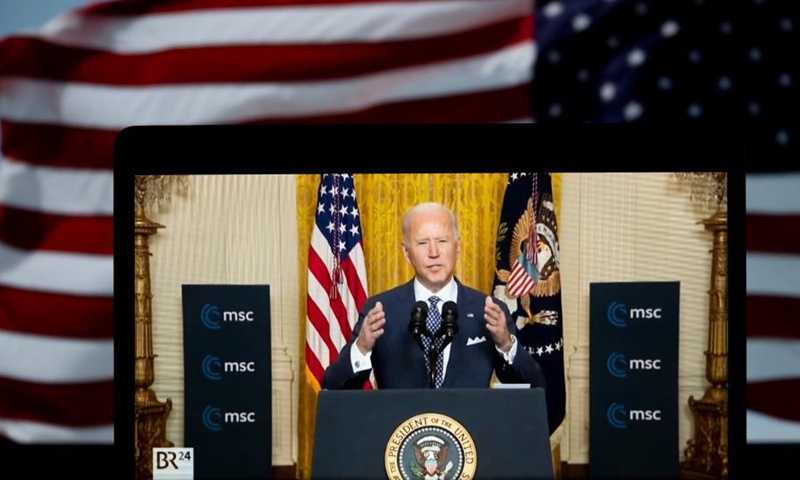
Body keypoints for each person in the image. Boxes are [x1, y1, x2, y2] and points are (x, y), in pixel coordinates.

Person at [322, 202, 546, 390]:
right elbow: (333, 387)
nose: (434, 253)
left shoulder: (487, 310)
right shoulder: (381, 310)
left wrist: (506, 344)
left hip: (469, 438)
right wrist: (361, 347)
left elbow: (533, 386)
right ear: (406, 253)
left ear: (457, 247)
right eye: (422, 243)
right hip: (400, 436)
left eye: (442, 241)